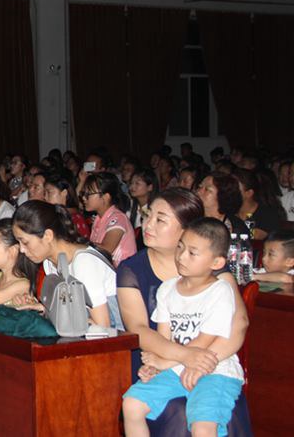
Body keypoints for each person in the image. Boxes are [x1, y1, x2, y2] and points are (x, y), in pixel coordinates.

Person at [116, 188, 251, 435]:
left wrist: (200, 362)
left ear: (186, 229)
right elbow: (138, 329)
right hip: (155, 357)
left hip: (212, 360)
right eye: (148, 215)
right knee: (166, 407)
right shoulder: (132, 269)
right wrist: (181, 357)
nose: (148, 224)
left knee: (197, 410)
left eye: (160, 219)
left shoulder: (212, 272)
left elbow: (238, 323)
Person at [11, 201, 122, 329]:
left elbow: (103, 325)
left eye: (25, 242)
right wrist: (42, 308)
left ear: (48, 235)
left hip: (116, 334)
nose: (21, 250)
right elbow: (67, 309)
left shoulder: (84, 263)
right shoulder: (49, 262)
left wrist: (56, 316)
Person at [80, 172, 137, 266]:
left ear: (106, 197)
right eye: (83, 193)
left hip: (123, 273)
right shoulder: (98, 219)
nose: (83, 198)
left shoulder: (118, 218)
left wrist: (78, 244)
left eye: (88, 194)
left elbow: (106, 249)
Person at [232, 168, 285, 240]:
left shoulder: (267, 213)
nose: (228, 190)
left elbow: (254, 237)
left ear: (249, 193)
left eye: (234, 188)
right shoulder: (228, 210)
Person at [197, 172, 250, 238]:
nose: (199, 191)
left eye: (207, 189)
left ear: (222, 196)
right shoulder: (191, 219)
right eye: (199, 187)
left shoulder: (237, 226)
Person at [43, 174, 90, 239]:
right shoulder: (55, 214)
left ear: (64, 193)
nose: (45, 197)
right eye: (44, 193)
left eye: (49, 193)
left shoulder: (75, 219)